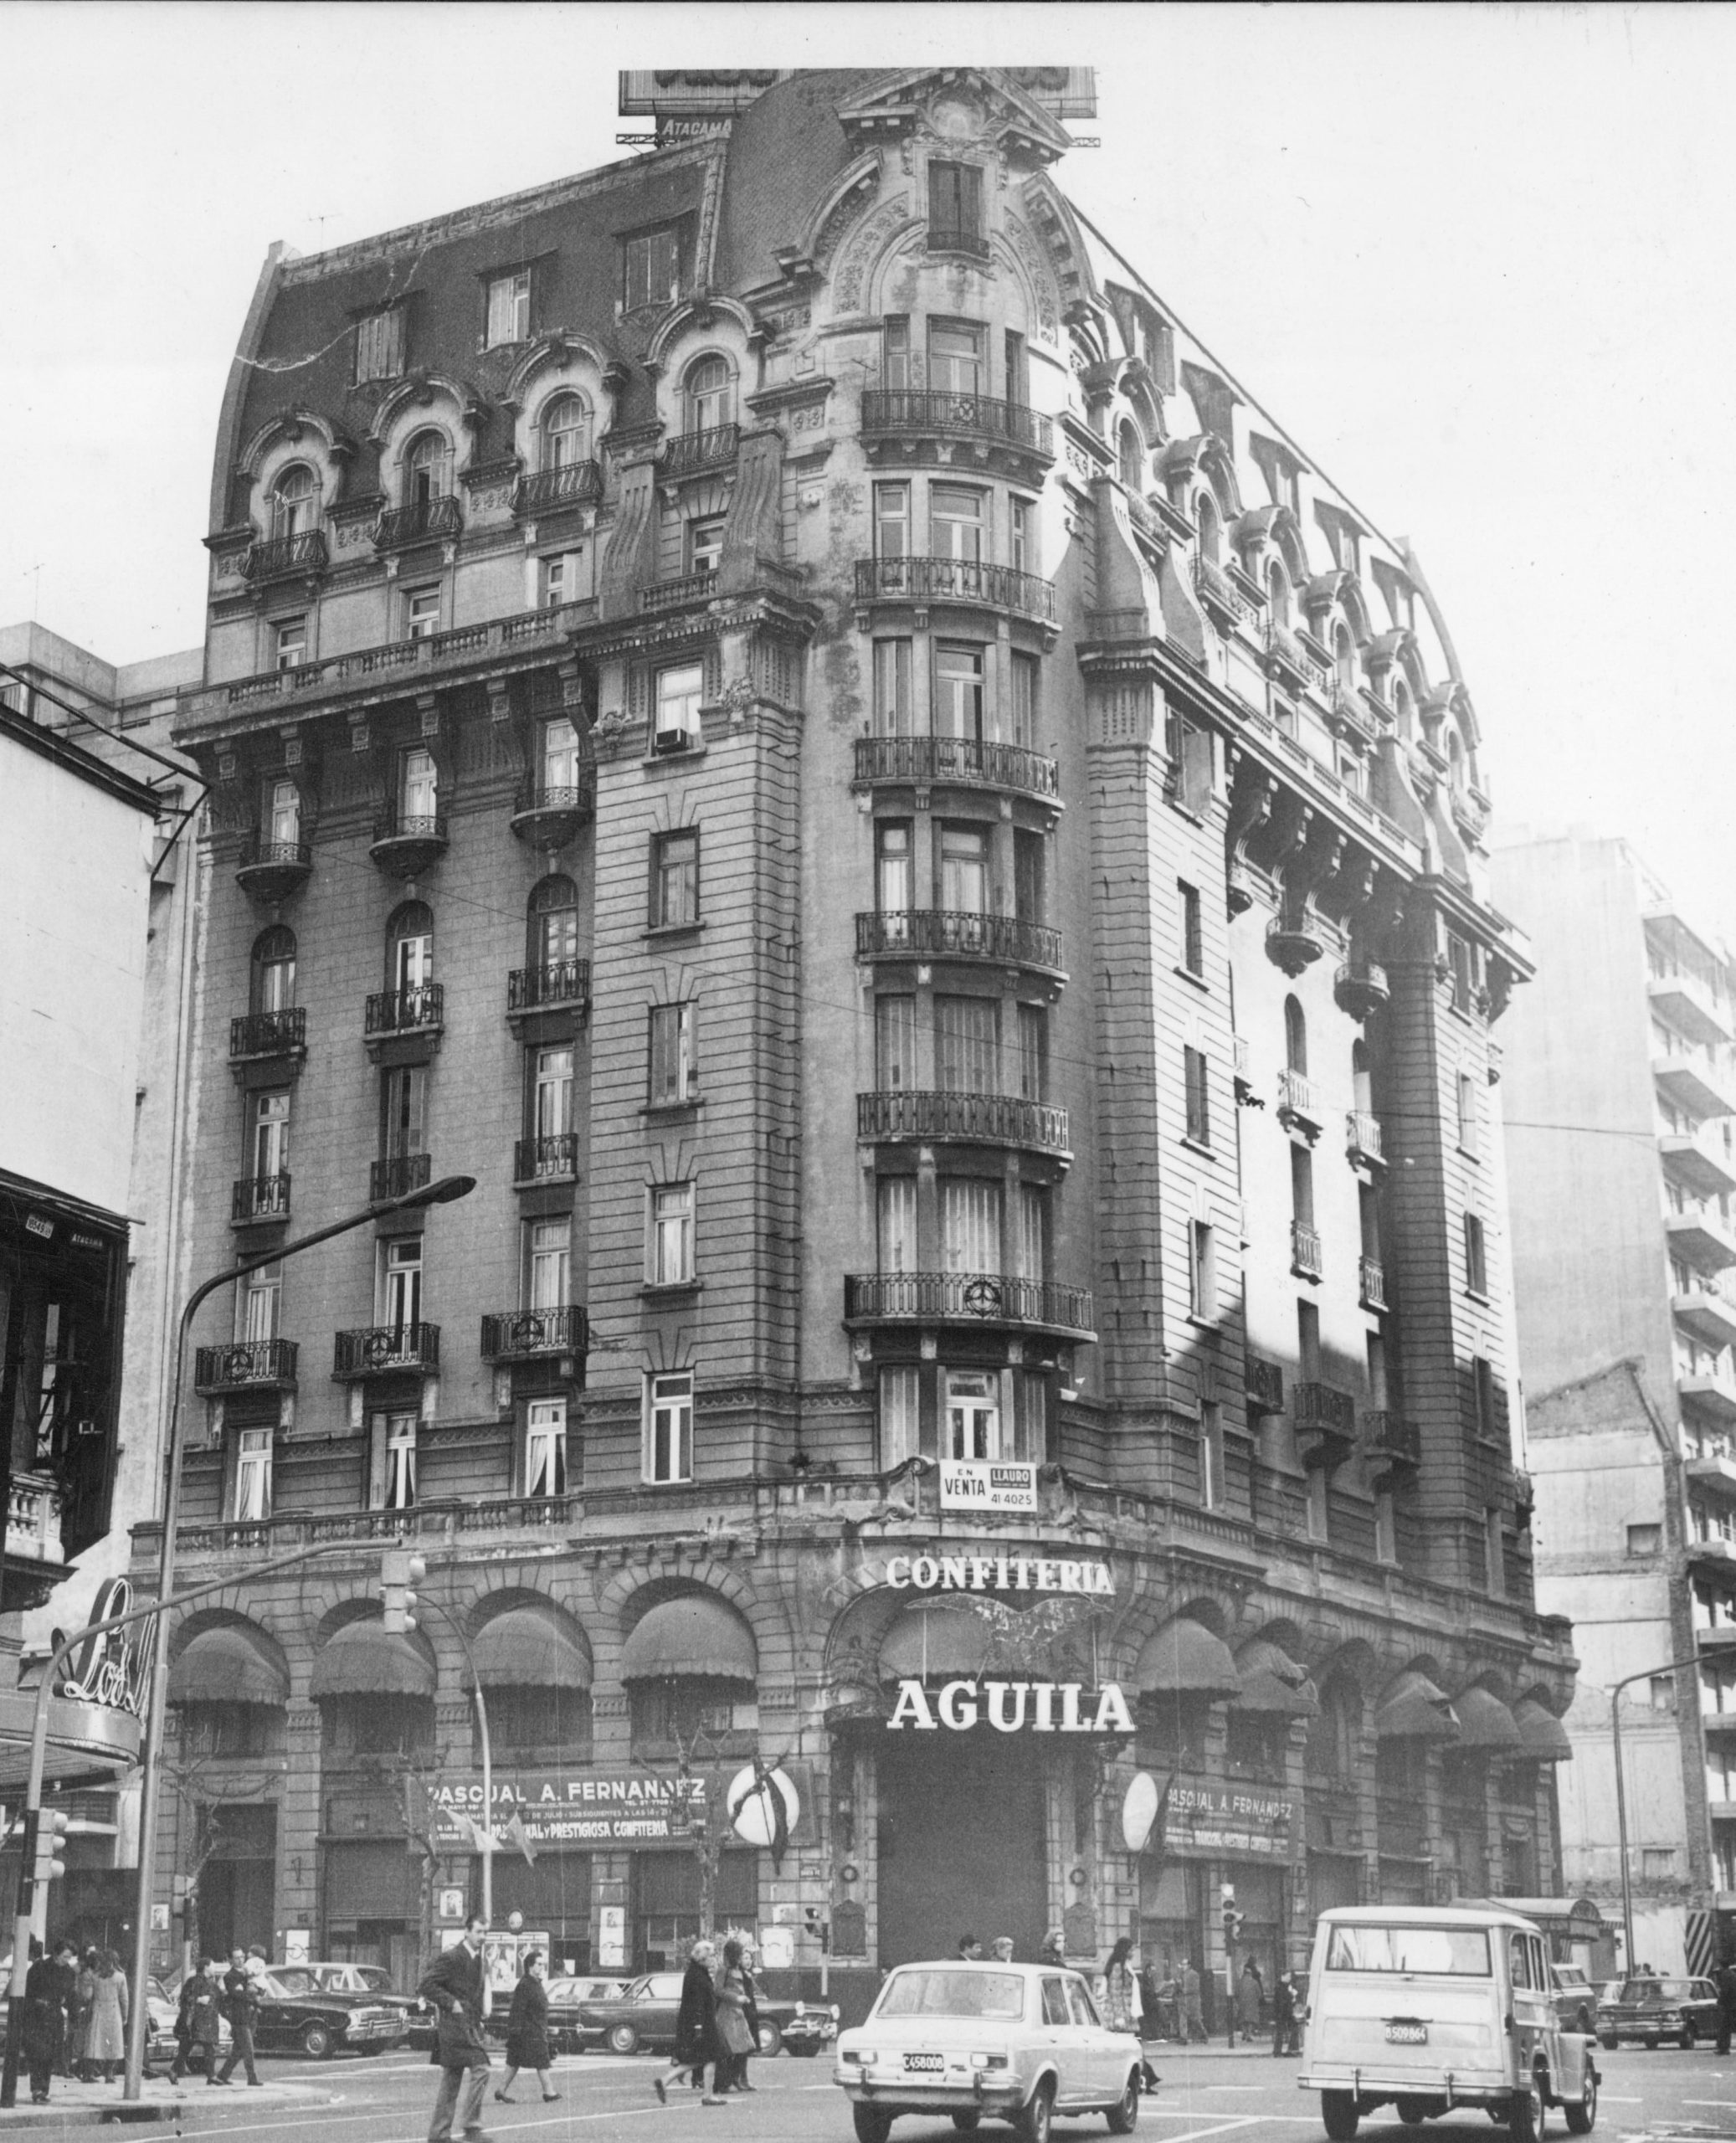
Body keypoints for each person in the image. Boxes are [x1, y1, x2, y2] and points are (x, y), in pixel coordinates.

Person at [420, 1913, 494, 2143]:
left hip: (469, 2027)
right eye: (479, 1932)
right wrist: (452, 2003)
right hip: (453, 2029)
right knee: (481, 2069)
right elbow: (427, 1985)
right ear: (467, 1931)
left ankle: (439, 2134)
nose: (483, 1937)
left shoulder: (480, 1961)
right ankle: (471, 2128)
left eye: (485, 1932)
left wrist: (480, 2015)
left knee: (451, 2081)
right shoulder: (452, 1957)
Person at [653, 1937, 725, 2105]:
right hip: (702, 2023)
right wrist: (699, 2025)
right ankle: (707, 2095)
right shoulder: (697, 1976)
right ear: (703, 1958)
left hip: (698, 2023)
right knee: (709, 2058)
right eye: (712, 1956)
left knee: (698, 2059)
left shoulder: (696, 1973)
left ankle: (666, 2081)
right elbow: (697, 2002)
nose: (714, 1959)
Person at [496, 1949, 560, 2105]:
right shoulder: (526, 1984)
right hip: (529, 2031)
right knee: (542, 2061)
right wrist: (516, 2031)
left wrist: (547, 2027)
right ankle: (549, 2092)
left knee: (514, 2062)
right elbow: (518, 2009)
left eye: (542, 1964)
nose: (542, 1967)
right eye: (539, 1964)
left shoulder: (535, 1983)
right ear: (530, 1966)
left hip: (534, 2029)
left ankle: (501, 2090)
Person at [23, 1939, 76, 2104]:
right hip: (37, 2016)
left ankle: (44, 2089)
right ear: (56, 1953)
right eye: (64, 1956)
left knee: (50, 2055)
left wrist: (74, 2014)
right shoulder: (40, 1967)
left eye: (68, 1958)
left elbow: (71, 1996)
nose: (65, 1961)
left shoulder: (68, 1972)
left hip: (54, 2016)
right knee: (38, 2053)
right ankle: (37, 2089)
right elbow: (28, 1991)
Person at [713, 1939, 756, 2094]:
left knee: (745, 2047)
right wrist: (736, 1998)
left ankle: (734, 2079)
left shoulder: (737, 1969)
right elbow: (717, 1990)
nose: (741, 1957)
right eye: (738, 1954)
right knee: (730, 2050)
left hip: (738, 2012)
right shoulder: (723, 1970)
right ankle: (725, 2083)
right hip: (727, 2012)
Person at [171, 1958, 223, 2084]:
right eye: (213, 1965)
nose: (215, 1968)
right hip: (195, 2021)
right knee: (186, 2048)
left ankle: (211, 2076)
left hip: (207, 2021)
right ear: (206, 1967)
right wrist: (198, 2000)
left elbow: (219, 1999)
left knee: (209, 2048)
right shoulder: (193, 1981)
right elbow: (184, 1998)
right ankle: (174, 2071)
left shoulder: (211, 1983)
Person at [218, 1947, 263, 2086]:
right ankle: (252, 2078)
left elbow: (259, 1990)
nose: (240, 1960)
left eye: (242, 1957)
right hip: (239, 2017)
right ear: (231, 1960)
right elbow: (236, 1995)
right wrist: (251, 1995)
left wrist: (256, 1992)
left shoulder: (247, 1974)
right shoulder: (230, 1976)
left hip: (251, 2015)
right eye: (236, 1958)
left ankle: (223, 2075)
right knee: (248, 2048)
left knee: (238, 2050)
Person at [83, 1950, 129, 2084]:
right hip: (114, 2012)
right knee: (113, 2044)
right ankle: (109, 2074)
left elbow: (88, 1996)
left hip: (98, 2010)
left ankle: (89, 2073)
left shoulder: (95, 1977)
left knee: (94, 2044)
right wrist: (125, 2016)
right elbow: (124, 1999)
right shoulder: (120, 1977)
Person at [1102, 1936, 1138, 2032]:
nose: (1133, 1953)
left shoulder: (1126, 1966)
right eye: (1131, 1950)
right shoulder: (1118, 1967)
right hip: (1118, 2015)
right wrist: (1119, 2017)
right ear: (1125, 1951)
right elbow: (1115, 1993)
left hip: (1126, 2011)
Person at [1273, 1971, 1301, 2057]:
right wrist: (1291, 1996)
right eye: (1288, 1976)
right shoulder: (1279, 1987)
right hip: (1281, 2013)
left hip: (1288, 2012)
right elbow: (1282, 2000)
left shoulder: (1288, 1986)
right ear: (1283, 1976)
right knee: (1280, 2033)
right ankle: (1278, 2051)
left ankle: (1292, 2049)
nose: (1290, 1978)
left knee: (1294, 2028)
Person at [1237, 1955, 1265, 2039]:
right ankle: (1249, 2034)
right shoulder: (1254, 1982)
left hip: (1242, 2003)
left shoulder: (1240, 1982)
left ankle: (1244, 2033)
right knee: (1250, 2019)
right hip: (1252, 2003)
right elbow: (1259, 1994)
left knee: (1243, 2019)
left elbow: (1236, 1993)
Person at [1181, 1958, 1206, 2043]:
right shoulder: (1184, 1974)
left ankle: (1203, 2035)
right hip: (1186, 2000)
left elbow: (1196, 1988)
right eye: (1182, 1964)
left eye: (1184, 1964)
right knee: (1185, 2018)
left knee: (1196, 2019)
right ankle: (1184, 2037)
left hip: (1193, 2000)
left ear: (1189, 1965)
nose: (1183, 1966)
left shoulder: (1194, 1974)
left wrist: (1185, 1990)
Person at [1718, 1954, 1736, 2055]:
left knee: (1723, 2027)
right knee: (1727, 2027)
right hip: (1732, 2004)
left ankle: (1723, 2048)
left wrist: (1720, 2001)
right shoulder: (1732, 1974)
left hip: (1726, 2004)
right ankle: (1726, 2048)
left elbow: (1725, 1991)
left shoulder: (1724, 1975)